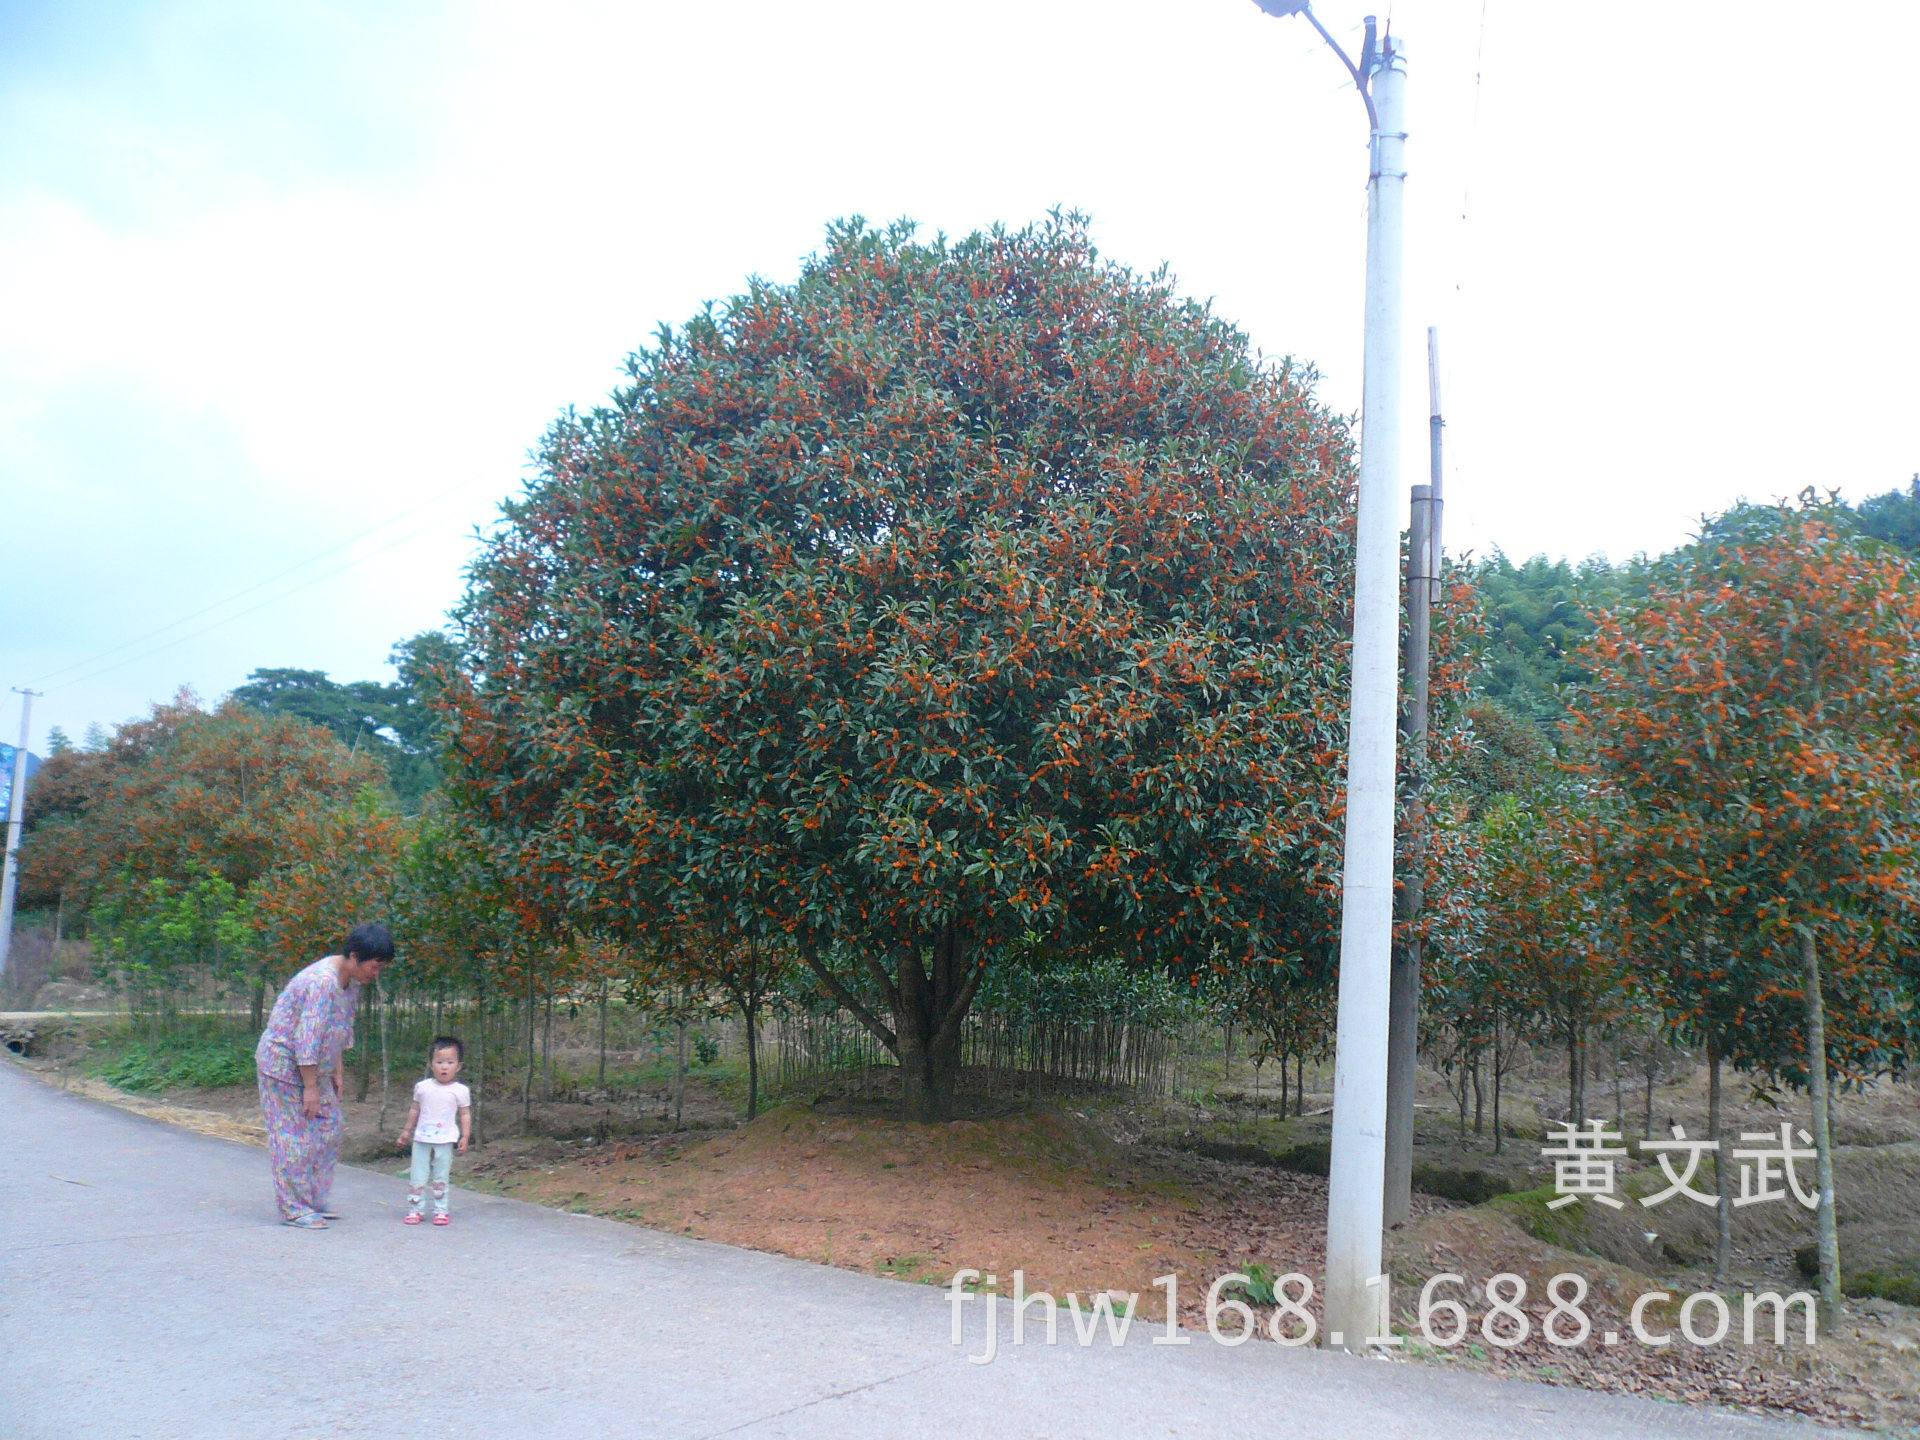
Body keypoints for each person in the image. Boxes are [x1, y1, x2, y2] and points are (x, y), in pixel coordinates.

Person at [254, 923, 395, 1229]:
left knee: (330, 1126)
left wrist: (336, 1070)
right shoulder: (322, 982)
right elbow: (306, 1038)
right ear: (354, 957)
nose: (376, 974)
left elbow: (337, 1027)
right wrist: (310, 1088)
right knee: (293, 1136)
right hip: (283, 1064)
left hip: (317, 1066)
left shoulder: (352, 982)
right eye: (374, 966)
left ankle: (314, 1198)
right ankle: (294, 1208)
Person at [396, 1036, 472, 1226]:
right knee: (418, 1174)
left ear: (458, 1066)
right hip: (421, 1138)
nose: (444, 1067)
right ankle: (415, 1208)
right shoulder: (422, 1087)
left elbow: (465, 1114)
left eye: (449, 1062)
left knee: (441, 1176)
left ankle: (441, 1209)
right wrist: (406, 1131)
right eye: (439, 1062)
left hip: (446, 1140)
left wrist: (465, 1136)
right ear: (431, 1064)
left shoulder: (460, 1090)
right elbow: (415, 1109)